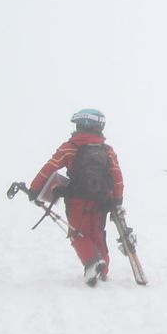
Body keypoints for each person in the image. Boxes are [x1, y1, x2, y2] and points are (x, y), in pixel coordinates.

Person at [27, 108, 125, 286]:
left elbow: (50, 167)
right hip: (102, 200)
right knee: (98, 233)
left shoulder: (70, 147)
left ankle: (92, 263)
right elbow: (117, 176)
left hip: (77, 199)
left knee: (77, 233)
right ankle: (103, 270)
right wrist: (117, 200)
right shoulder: (107, 150)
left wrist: (35, 189)